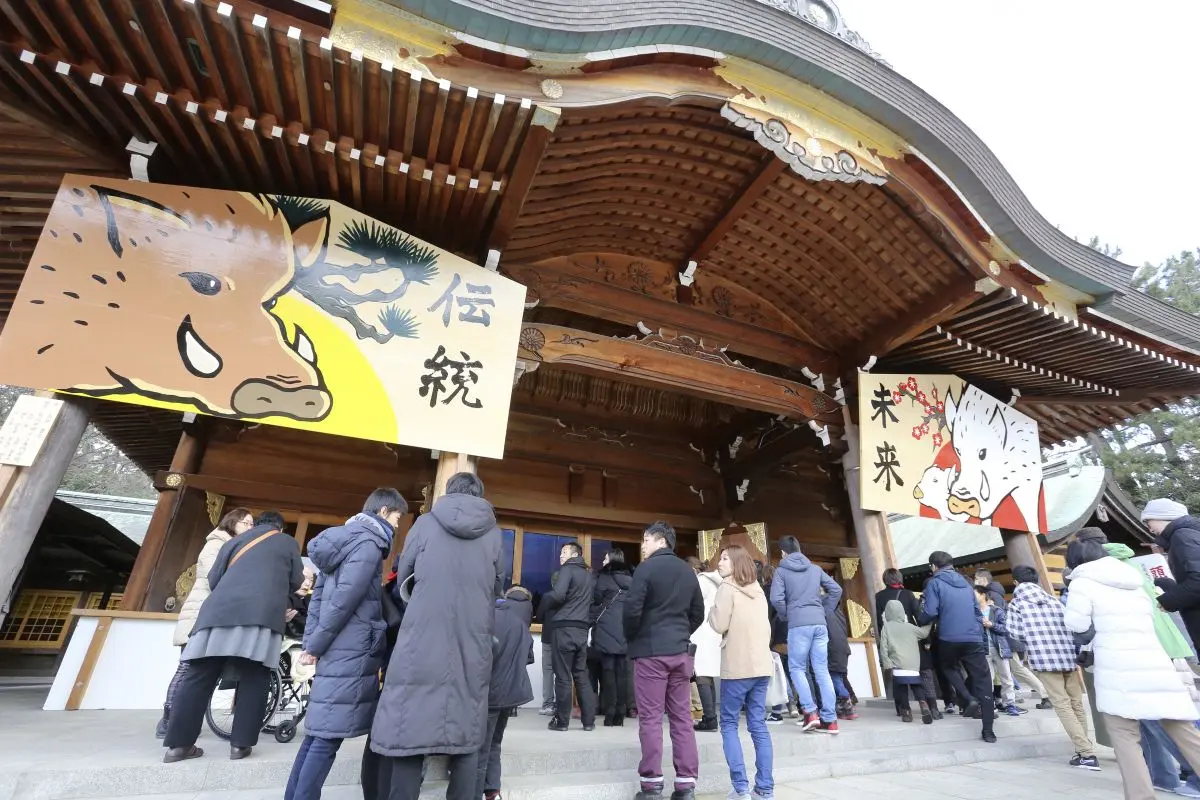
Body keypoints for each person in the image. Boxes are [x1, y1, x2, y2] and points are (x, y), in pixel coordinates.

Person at [369, 472, 503, 800]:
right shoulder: (494, 534)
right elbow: (497, 585)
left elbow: (407, 570)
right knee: (468, 729)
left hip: (421, 637)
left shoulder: (426, 524)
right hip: (472, 642)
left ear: (448, 491)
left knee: (408, 728)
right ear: (481, 494)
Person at [283, 489, 405, 800]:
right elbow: (343, 602)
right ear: (383, 512)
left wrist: (314, 643)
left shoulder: (344, 541)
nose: (398, 524)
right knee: (328, 737)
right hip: (350, 647)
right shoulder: (367, 545)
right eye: (397, 517)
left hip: (335, 646)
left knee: (318, 732)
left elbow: (321, 599)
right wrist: (315, 646)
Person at [1063, 535, 1200, 798]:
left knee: (1125, 738)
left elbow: (1076, 625)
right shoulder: (1134, 581)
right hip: (1153, 663)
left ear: (1074, 561)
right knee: (1183, 730)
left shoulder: (1083, 583)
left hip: (1118, 669)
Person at [163, 510, 303, 762]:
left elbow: (214, 578)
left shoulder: (234, 542)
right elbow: (295, 581)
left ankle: (178, 746)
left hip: (216, 615)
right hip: (260, 617)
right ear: (280, 528)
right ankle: (240, 745)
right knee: (255, 677)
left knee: (198, 677)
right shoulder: (287, 542)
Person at [1104, 542, 1200, 795]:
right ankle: (1163, 776)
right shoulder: (1139, 569)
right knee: (1162, 720)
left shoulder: (1108, 578)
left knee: (1165, 720)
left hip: (1143, 654)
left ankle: (1190, 776)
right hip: (1167, 646)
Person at [624, 521, 704, 800]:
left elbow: (632, 610)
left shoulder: (646, 568)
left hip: (651, 652)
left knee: (651, 717)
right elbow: (698, 613)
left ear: (657, 540)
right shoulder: (687, 571)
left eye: (644, 540)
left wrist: (635, 637)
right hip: (681, 653)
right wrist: (680, 633)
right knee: (682, 717)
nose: (642, 546)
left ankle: (652, 783)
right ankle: (685, 784)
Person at [156, 507, 253, 739]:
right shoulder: (216, 544)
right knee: (187, 668)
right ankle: (169, 719)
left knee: (199, 671)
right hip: (200, 614)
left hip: (213, 616)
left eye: (252, 524)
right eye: (246, 523)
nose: (250, 527)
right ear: (232, 523)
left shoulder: (233, 547)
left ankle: (182, 719)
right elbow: (215, 576)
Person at [1005, 564, 1097, 770]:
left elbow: (1015, 633)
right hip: (1067, 657)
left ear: (1015, 582)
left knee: (1062, 705)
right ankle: (1084, 747)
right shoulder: (1054, 600)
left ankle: (1086, 753)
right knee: (1076, 703)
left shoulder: (1017, 604)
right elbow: (1071, 624)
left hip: (1045, 660)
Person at [707, 546, 773, 800]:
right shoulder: (758, 591)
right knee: (758, 725)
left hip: (737, 667)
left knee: (729, 724)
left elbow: (719, 623)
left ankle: (740, 788)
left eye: (724, 558)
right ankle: (765, 789)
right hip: (761, 667)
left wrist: (712, 609)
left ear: (735, 563)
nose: (720, 562)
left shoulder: (726, 589)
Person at [919, 551, 996, 743]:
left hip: (949, 636)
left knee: (947, 666)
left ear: (934, 566)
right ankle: (988, 731)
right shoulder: (967, 584)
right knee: (984, 681)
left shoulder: (935, 583)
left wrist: (920, 618)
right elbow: (976, 611)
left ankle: (967, 697)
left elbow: (930, 611)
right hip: (973, 638)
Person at [769, 535, 842, 734]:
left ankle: (810, 713)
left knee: (797, 668)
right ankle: (830, 720)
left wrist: (787, 614)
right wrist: (823, 610)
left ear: (783, 552)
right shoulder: (815, 569)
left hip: (798, 625)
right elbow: (836, 590)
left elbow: (776, 599)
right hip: (819, 624)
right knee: (821, 670)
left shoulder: (781, 572)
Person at [477, 586, 535, 800]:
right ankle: (493, 790)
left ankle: (477, 791)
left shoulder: (484, 620)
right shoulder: (519, 624)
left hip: (488, 693)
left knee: (480, 746)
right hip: (511, 694)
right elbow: (529, 657)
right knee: (495, 742)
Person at [538, 540, 596, 731]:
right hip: (581, 630)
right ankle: (589, 722)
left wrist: (541, 609)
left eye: (564, 552)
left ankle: (562, 722)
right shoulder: (589, 576)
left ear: (574, 554)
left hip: (564, 629)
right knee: (581, 675)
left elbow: (558, 595)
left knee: (562, 676)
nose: (560, 555)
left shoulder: (567, 570)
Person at [1144, 499, 1200, 649]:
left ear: (1162, 517)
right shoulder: (1191, 533)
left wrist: (1169, 600)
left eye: (1149, 521)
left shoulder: (1182, 536)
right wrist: (1172, 586)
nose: (1150, 528)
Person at [593, 548, 633, 726]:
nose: (603, 560)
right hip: (626, 629)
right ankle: (621, 713)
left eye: (605, 557)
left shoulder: (604, 578)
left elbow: (596, 598)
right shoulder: (633, 580)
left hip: (607, 629)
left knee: (608, 672)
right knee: (623, 674)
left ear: (611, 560)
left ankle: (610, 714)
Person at [878, 599, 933, 723]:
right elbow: (924, 634)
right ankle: (923, 705)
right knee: (916, 685)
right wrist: (930, 621)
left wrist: (887, 664)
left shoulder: (886, 628)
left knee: (901, 688)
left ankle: (906, 712)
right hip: (913, 664)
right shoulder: (909, 627)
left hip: (898, 663)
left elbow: (883, 647)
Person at [974, 586, 1025, 717]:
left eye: (975, 594)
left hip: (999, 648)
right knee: (988, 680)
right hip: (983, 650)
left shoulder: (996, 611)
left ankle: (1010, 704)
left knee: (1006, 678)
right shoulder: (973, 612)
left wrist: (992, 625)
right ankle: (989, 706)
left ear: (983, 595)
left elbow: (1005, 629)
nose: (973, 597)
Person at [691, 557, 722, 732]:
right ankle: (710, 717)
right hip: (714, 631)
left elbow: (691, 604)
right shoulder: (717, 582)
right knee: (707, 676)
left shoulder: (701, 581)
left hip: (701, 632)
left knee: (702, 675)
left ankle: (709, 718)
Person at [824, 602, 856, 721]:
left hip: (832, 649)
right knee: (839, 678)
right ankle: (845, 707)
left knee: (835, 679)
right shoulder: (838, 612)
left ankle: (847, 707)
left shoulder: (825, 611)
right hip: (843, 649)